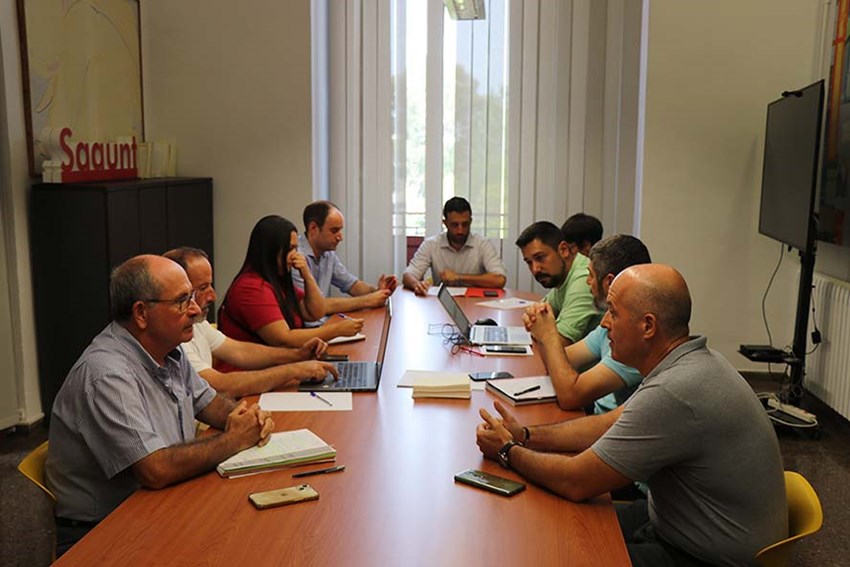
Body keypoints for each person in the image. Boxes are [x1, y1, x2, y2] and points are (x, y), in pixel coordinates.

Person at [476, 264, 787, 566]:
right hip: (681, 524)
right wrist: (526, 436)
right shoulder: (689, 363)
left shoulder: (675, 391)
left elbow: (576, 481)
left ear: (648, 326)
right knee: (553, 527)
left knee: (559, 553)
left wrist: (507, 450)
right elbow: (607, 424)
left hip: (703, 556)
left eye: (613, 312)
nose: (604, 323)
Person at [44, 255, 275, 556]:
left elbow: (209, 403)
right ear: (141, 313)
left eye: (191, 297)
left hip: (158, 504)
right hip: (104, 533)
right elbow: (156, 469)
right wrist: (234, 439)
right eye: (181, 301)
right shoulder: (107, 374)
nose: (195, 309)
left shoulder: (169, 351)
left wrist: (246, 417)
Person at [163, 247, 339, 397]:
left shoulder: (197, 322)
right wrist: (294, 369)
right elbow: (220, 386)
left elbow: (240, 351)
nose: (213, 296)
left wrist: (298, 355)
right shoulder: (174, 336)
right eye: (202, 288)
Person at [523, 234, 651, 413]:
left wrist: (548, 334)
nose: (587, 281)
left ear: (609, 282)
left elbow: (570, 396)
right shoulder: (609, 325)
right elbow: (560, 361)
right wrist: (541, 326)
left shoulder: (635, 337)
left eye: (591, 275)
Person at [218, 215, 364, 352]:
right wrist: (336, 330)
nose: (295, 255)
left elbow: (315, 312)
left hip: (281, 363)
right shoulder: (251, 288)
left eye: (296, 248)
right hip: (254, 368)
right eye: (289, 249)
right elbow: (283, 339)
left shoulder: (277, 281)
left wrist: (306, 274)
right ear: (270, 251)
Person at [292, 201, 397, 323]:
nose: (340, 237)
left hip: (323, 323)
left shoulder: (328, 253)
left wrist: (378, 291)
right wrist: (368, 300)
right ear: (313, 228)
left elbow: (352, 285)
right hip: (304, 329)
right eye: (334, 231)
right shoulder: (295, 256)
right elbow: (315, 306)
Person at [516, 221, 600, 346]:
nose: (535, 269)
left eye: (540, 258)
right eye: (529, 262)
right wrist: (535, 323)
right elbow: (536, 318)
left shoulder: (584, 279)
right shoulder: (563, 278)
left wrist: (539, 328)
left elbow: (559, 342)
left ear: (563, 250)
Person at [402, 196, 507, 295]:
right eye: (454, 225)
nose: (460, 230)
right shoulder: (431, 244)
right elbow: (408, 275)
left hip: (475, 301)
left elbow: (499, 279)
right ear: (445, 223)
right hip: (442, 302)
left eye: (465, 224)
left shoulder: (482, 244)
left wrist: (459, 277)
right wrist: (417, 285)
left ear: (470, 221)